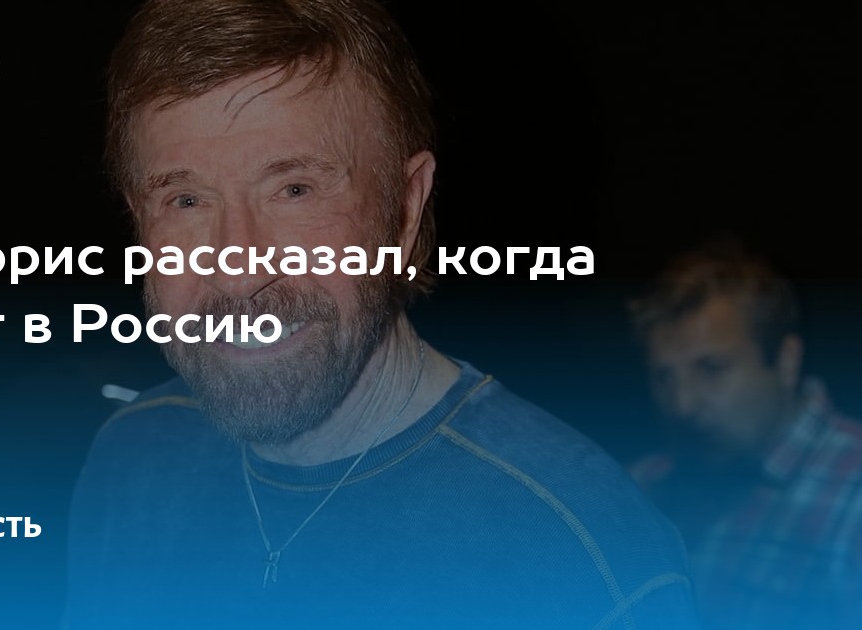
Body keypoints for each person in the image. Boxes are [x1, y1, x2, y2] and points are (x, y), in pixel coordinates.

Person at [65, 0, 700, 627]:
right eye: (185, 200)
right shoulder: (133, 456)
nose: (239, 271)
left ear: (404, 210)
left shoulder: (582, 555)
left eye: (295, 190)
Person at [628, 242, 862, 629]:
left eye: (711, 369)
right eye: (664, 377)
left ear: (786, 360)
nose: (683, 404)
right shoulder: (641, 489)